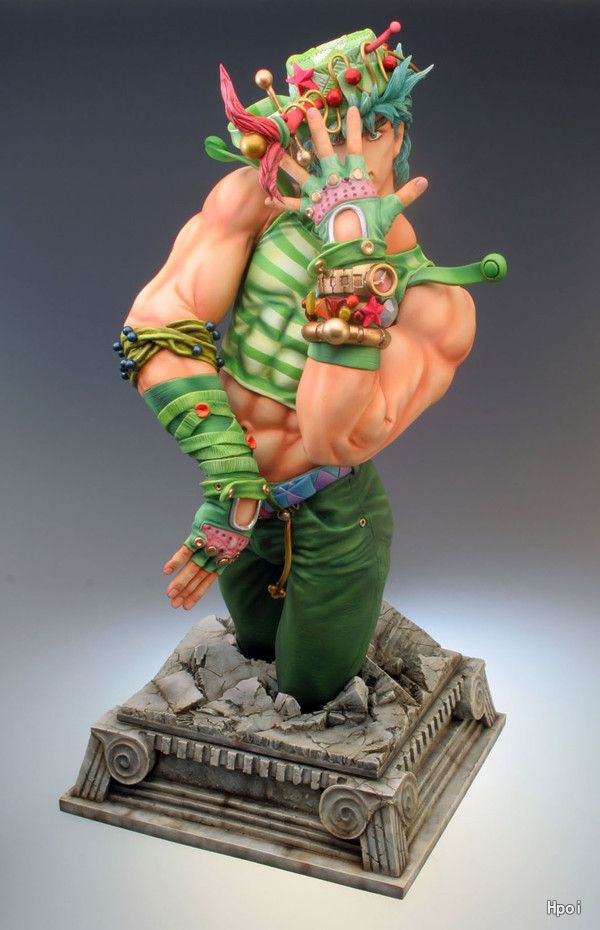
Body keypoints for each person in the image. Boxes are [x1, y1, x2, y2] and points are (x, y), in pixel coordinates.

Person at [116, 23, 505, 712]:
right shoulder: (253, 204)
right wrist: (231, 474)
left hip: (332, 516)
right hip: (237, 498)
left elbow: (334, 437)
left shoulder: (435, 306)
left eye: (356, 128)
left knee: (312, 687)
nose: (327, 151)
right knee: (255, 646)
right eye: (313, 129)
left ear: (392, 135)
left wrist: (350, 257)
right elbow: (156, 325)